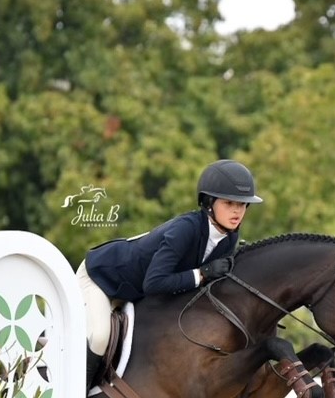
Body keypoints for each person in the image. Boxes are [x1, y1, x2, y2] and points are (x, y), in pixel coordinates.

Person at [76, 159, 262, 386]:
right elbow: (154, 283)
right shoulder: (185, 229)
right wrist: (201, 274)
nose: (237, 211)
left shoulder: (230, 237)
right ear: (209, 203)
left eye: (242, 204)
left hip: (134, 292)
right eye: (229, 203)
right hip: (102, 278)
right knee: (100, 337)